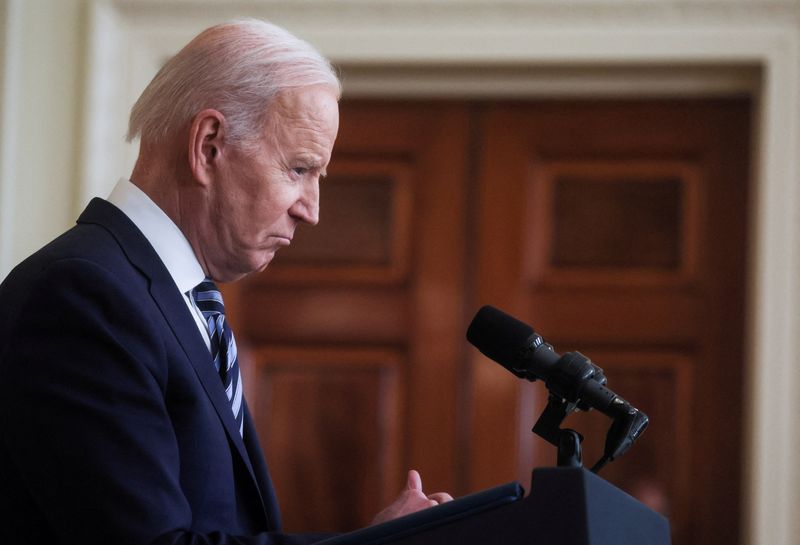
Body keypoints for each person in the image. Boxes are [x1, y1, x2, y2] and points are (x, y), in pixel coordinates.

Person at [0, 19, 451, 545]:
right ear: (209, 145)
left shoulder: (172, 298)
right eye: (299, 169)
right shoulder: (83, 296)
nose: (312, 211)